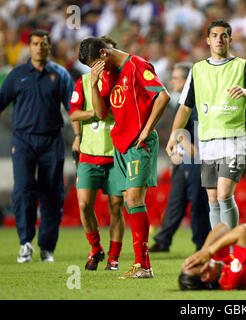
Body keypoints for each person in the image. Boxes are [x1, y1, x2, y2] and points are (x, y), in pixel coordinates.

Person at [78, 37, 170, 279]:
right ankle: (142, 265)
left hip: (139, 142)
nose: (95, 70)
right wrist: (95, 84)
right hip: (121, 144)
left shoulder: (137, 65)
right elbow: (100, 113)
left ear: (103, 53)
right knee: (129, 200)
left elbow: (163, 96)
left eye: (95, 64)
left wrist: (148, 129)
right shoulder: (107, 74)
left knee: (134, 198)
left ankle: (144, 266)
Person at [166, 20, 246, 232]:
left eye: (223, 35)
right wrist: (173, 136)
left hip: (234, 139)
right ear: (208, 40)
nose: (219, 39)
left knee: (224, 194)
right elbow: (184, 107)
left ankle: (232, 249)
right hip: (208, 142)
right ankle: (220, 249)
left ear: (230, 39)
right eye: (214, 35)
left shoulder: (243, 65)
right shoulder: (197, 70)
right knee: (212, 198)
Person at [0, 29, 76, 263]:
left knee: (52, 194)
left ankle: (47, 247)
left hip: (52, 140)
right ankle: (25, 243)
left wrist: (79, 136)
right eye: (35, 43)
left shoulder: (60, 75)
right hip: (23, 141)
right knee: (22, 190)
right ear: (29, 47)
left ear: (49, 47)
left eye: (43, 44)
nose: (39, 47)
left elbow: (75, 108)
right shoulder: (18, 75)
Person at [70, 37, 125, 271]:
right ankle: (96, 250)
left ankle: (113, 257)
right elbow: (73, 114)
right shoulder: (82, 82)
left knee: (115, 207)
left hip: (115, 154)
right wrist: (93, 112)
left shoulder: (120, 79)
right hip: (89, 154)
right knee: (84, 205)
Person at [149, 62, 211, 253]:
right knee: (176, 201)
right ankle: (164, 239)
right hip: (183, 159)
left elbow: (195, 128)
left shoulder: (195, 102)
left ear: (187, 80)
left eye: (177, 78)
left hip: (194, 160)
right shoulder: (182, 101)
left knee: (197, 201)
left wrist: (189, 146)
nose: (173, 81)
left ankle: (202, 243)